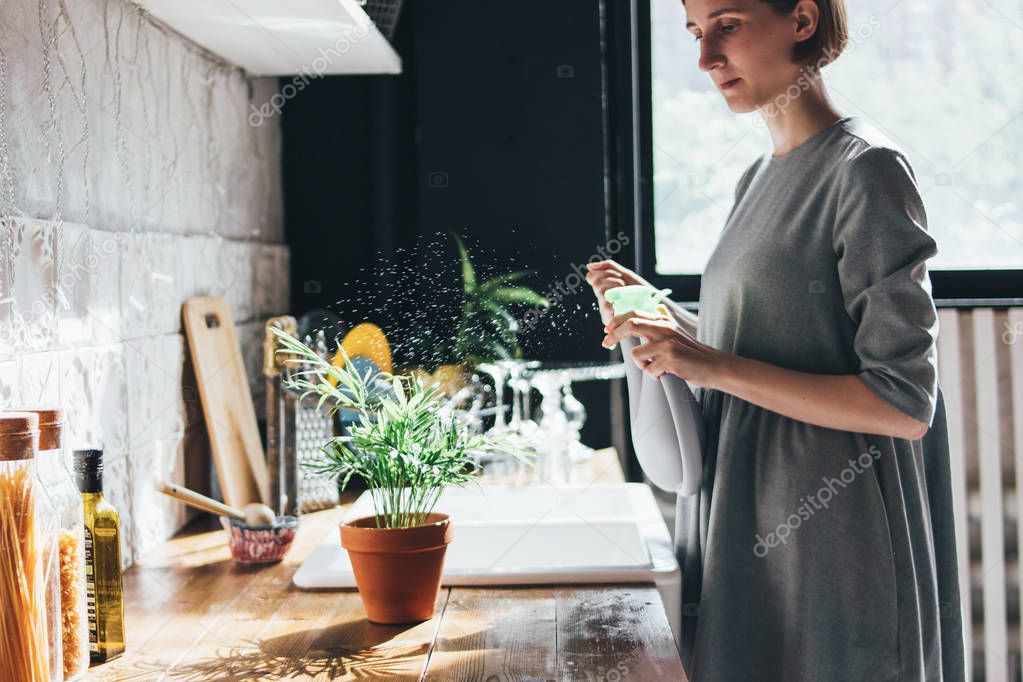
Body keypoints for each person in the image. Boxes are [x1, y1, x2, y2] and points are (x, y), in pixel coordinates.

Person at [587, 1, 966, 679]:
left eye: (726, 25)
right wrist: (663, 321)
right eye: (696, 33)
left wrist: (707, 361)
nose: (706, 59)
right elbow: (762, 344)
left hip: (833, 543)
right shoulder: (756, 177)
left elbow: (902, 406)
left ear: (801, 19)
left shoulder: (866, 169)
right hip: (749, 521)